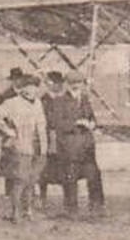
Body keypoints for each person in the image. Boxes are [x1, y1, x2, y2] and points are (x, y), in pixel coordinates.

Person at [0, 74, 48, 222]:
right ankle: (15, 212)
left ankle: (28, 211)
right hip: (21, 146)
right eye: (29, 87)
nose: (32, 90)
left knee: (32, 180)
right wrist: (9, 132)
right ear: (23, 88)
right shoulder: (11, 103)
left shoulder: (38, 103)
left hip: (39, 147)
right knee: (20, 180)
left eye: (35, 87)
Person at [44, 71, 104, 218]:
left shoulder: (84, 99)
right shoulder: (59, 102)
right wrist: (77, 123)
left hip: (87, 146)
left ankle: (97, 207)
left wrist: (92, 124)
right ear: (68, 84)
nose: (77, 86)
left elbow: (92, 118)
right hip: (69, 146)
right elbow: (55, 123)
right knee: (70, 178)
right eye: (74, 83)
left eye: (79, 83)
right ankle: (71, 209)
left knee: (94, 176)